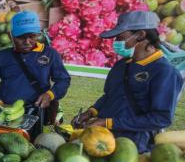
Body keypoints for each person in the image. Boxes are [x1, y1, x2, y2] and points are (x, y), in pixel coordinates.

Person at [73, 11, 184, 153]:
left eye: (120, 37)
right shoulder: (121, 66)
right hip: (102, 139)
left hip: (135, 145)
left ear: (141, 35)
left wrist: (108, 122)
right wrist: (90, 112)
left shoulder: (164, 72)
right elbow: (109, 96)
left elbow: (160, 119)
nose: (116, 42)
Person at [0, 10, 71, 135]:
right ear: (10, 36)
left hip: (38, 112)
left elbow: (63, 79)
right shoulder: (2, 56)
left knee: (36, 143)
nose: (27, 41)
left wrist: (50, 95)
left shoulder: (49, 53)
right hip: (9, 112)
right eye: (21, 37)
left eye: (32, 36)